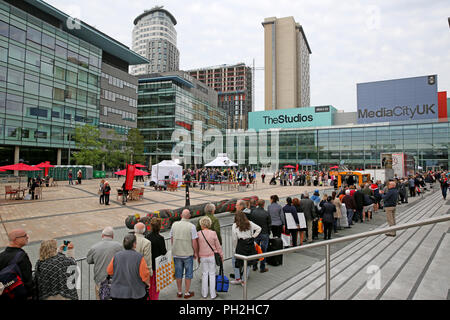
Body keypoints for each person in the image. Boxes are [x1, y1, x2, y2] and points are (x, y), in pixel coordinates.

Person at [107, 234, 150, 300]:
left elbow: (109, 271)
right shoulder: (139, 257)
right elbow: (144, 275)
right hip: (135, 293)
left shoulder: (116, 256)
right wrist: (148, 284)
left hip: (118, 293)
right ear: (134, 244)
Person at [86, 227, 123, 300]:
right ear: (112, 236)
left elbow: (89, 260)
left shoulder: (94, 248)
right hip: (115, 281)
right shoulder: (119, 246)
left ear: (102, 236)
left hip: (100, 280)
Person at [170, 209, 198, 299]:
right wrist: (195, 252)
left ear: (181, 215)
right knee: (188, 274)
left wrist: (174, 247)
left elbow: (172, 238)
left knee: (178, 273)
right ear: (189, 216)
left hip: (176, 253)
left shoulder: (174, 224)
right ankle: (186, 292)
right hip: (187, 253)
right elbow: (194, 241)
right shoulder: (192, 226)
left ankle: (179, 291)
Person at [0, 229, 33, 300]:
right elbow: (27, 279)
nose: (27, 237)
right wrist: (30, 295)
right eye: (24, 236)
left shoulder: (1, 255)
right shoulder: (22, 256)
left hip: (6, 293)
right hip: (20, 294)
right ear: (15, 239)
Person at [231, 210, 261, 285]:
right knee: (248, 262)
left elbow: (234, 239)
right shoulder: (249, 223)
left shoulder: (234, 225)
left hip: (240, 244)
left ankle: (237, 278)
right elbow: (259, 228)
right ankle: (244, 280)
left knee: (235, 260)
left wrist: (234, 249)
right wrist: (253, 237)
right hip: (249, 243)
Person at [197, 216, 224, 299]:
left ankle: (204, 293)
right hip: (212, 256)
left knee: (204, 274)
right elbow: (218, 246)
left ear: (201, 224)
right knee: (212, 274)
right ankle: (213, 294)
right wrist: (221, 256)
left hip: (203, 256)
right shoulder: (213, 233)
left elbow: (197, 246)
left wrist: (197, 256)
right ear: (209, 224)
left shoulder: (198, 234)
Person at [145, 218, 167, 300]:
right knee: (156, 285)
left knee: (149, 284)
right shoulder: (160, 238)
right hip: (157, 264)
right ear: (160, 227)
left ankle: (148, 297)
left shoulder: (147, 237)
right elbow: (164, 252)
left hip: (148, 263)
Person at [249, 199, 271, 272]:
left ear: (257, 204)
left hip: (256, 233)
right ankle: (262, 267)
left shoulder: (253, 212)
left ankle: (254, 266)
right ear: (264, 204)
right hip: (264, 233)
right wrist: (269, 232)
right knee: (263, 250)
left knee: (255, 249)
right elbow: (269, 224)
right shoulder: (266, 213)